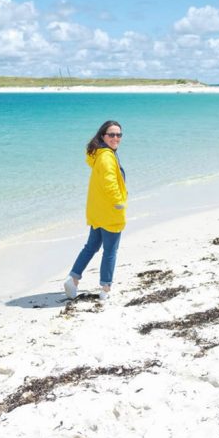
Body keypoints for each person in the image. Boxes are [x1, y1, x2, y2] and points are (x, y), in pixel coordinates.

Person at [63, 120, 127, 302]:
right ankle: (106, 288)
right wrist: (119, 202)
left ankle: (73, 278)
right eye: (112, 135)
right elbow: (109, 183)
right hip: (110, 212)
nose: (116, 138)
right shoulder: (106, 157)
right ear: (103, 136)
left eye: (119, 135)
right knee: (110, 251)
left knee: (91, 246)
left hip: (98, 211)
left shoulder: (100, 154)